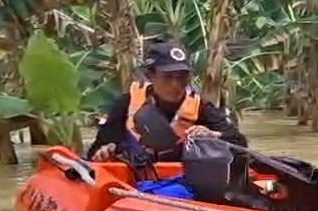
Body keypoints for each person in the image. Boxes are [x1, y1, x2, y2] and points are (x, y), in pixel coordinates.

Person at [88, 40, 246, 162]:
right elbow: (96, 151)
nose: (176, 85)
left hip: (180, 182)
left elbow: (239, 144)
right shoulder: (126, 103)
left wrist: (213, 135)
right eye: (168, 77)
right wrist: (105, 152)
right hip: (135, 178)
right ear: (150, 75)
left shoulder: (202, 107)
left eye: (182, 77)